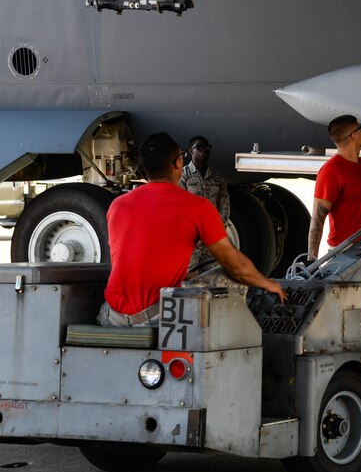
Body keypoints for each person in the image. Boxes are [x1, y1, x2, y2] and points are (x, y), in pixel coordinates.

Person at [99, 132, 285, 327]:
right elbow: (236, 267)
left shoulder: (118, 205)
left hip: (113, 316)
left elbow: (140, 263)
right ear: (177, 163)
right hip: (156, 316)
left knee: (194, 278)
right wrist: (268, 284)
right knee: (226, 284)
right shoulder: (198, 207)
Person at [308, 114, 361, 261]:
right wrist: (311, 260)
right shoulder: (331, 171)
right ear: (354, 136)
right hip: (346, 253)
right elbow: (317, 220)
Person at [179, 135, 230, 274]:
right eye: (199, 148)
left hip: (212, 239)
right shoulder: (183, 176)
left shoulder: (217, 178)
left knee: (211, 275)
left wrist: (217, 231)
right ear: (191, 151)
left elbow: (224, 207)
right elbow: (179, 207)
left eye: (207, 148)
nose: (204, 151)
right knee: (188, 275)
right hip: (191, 240)